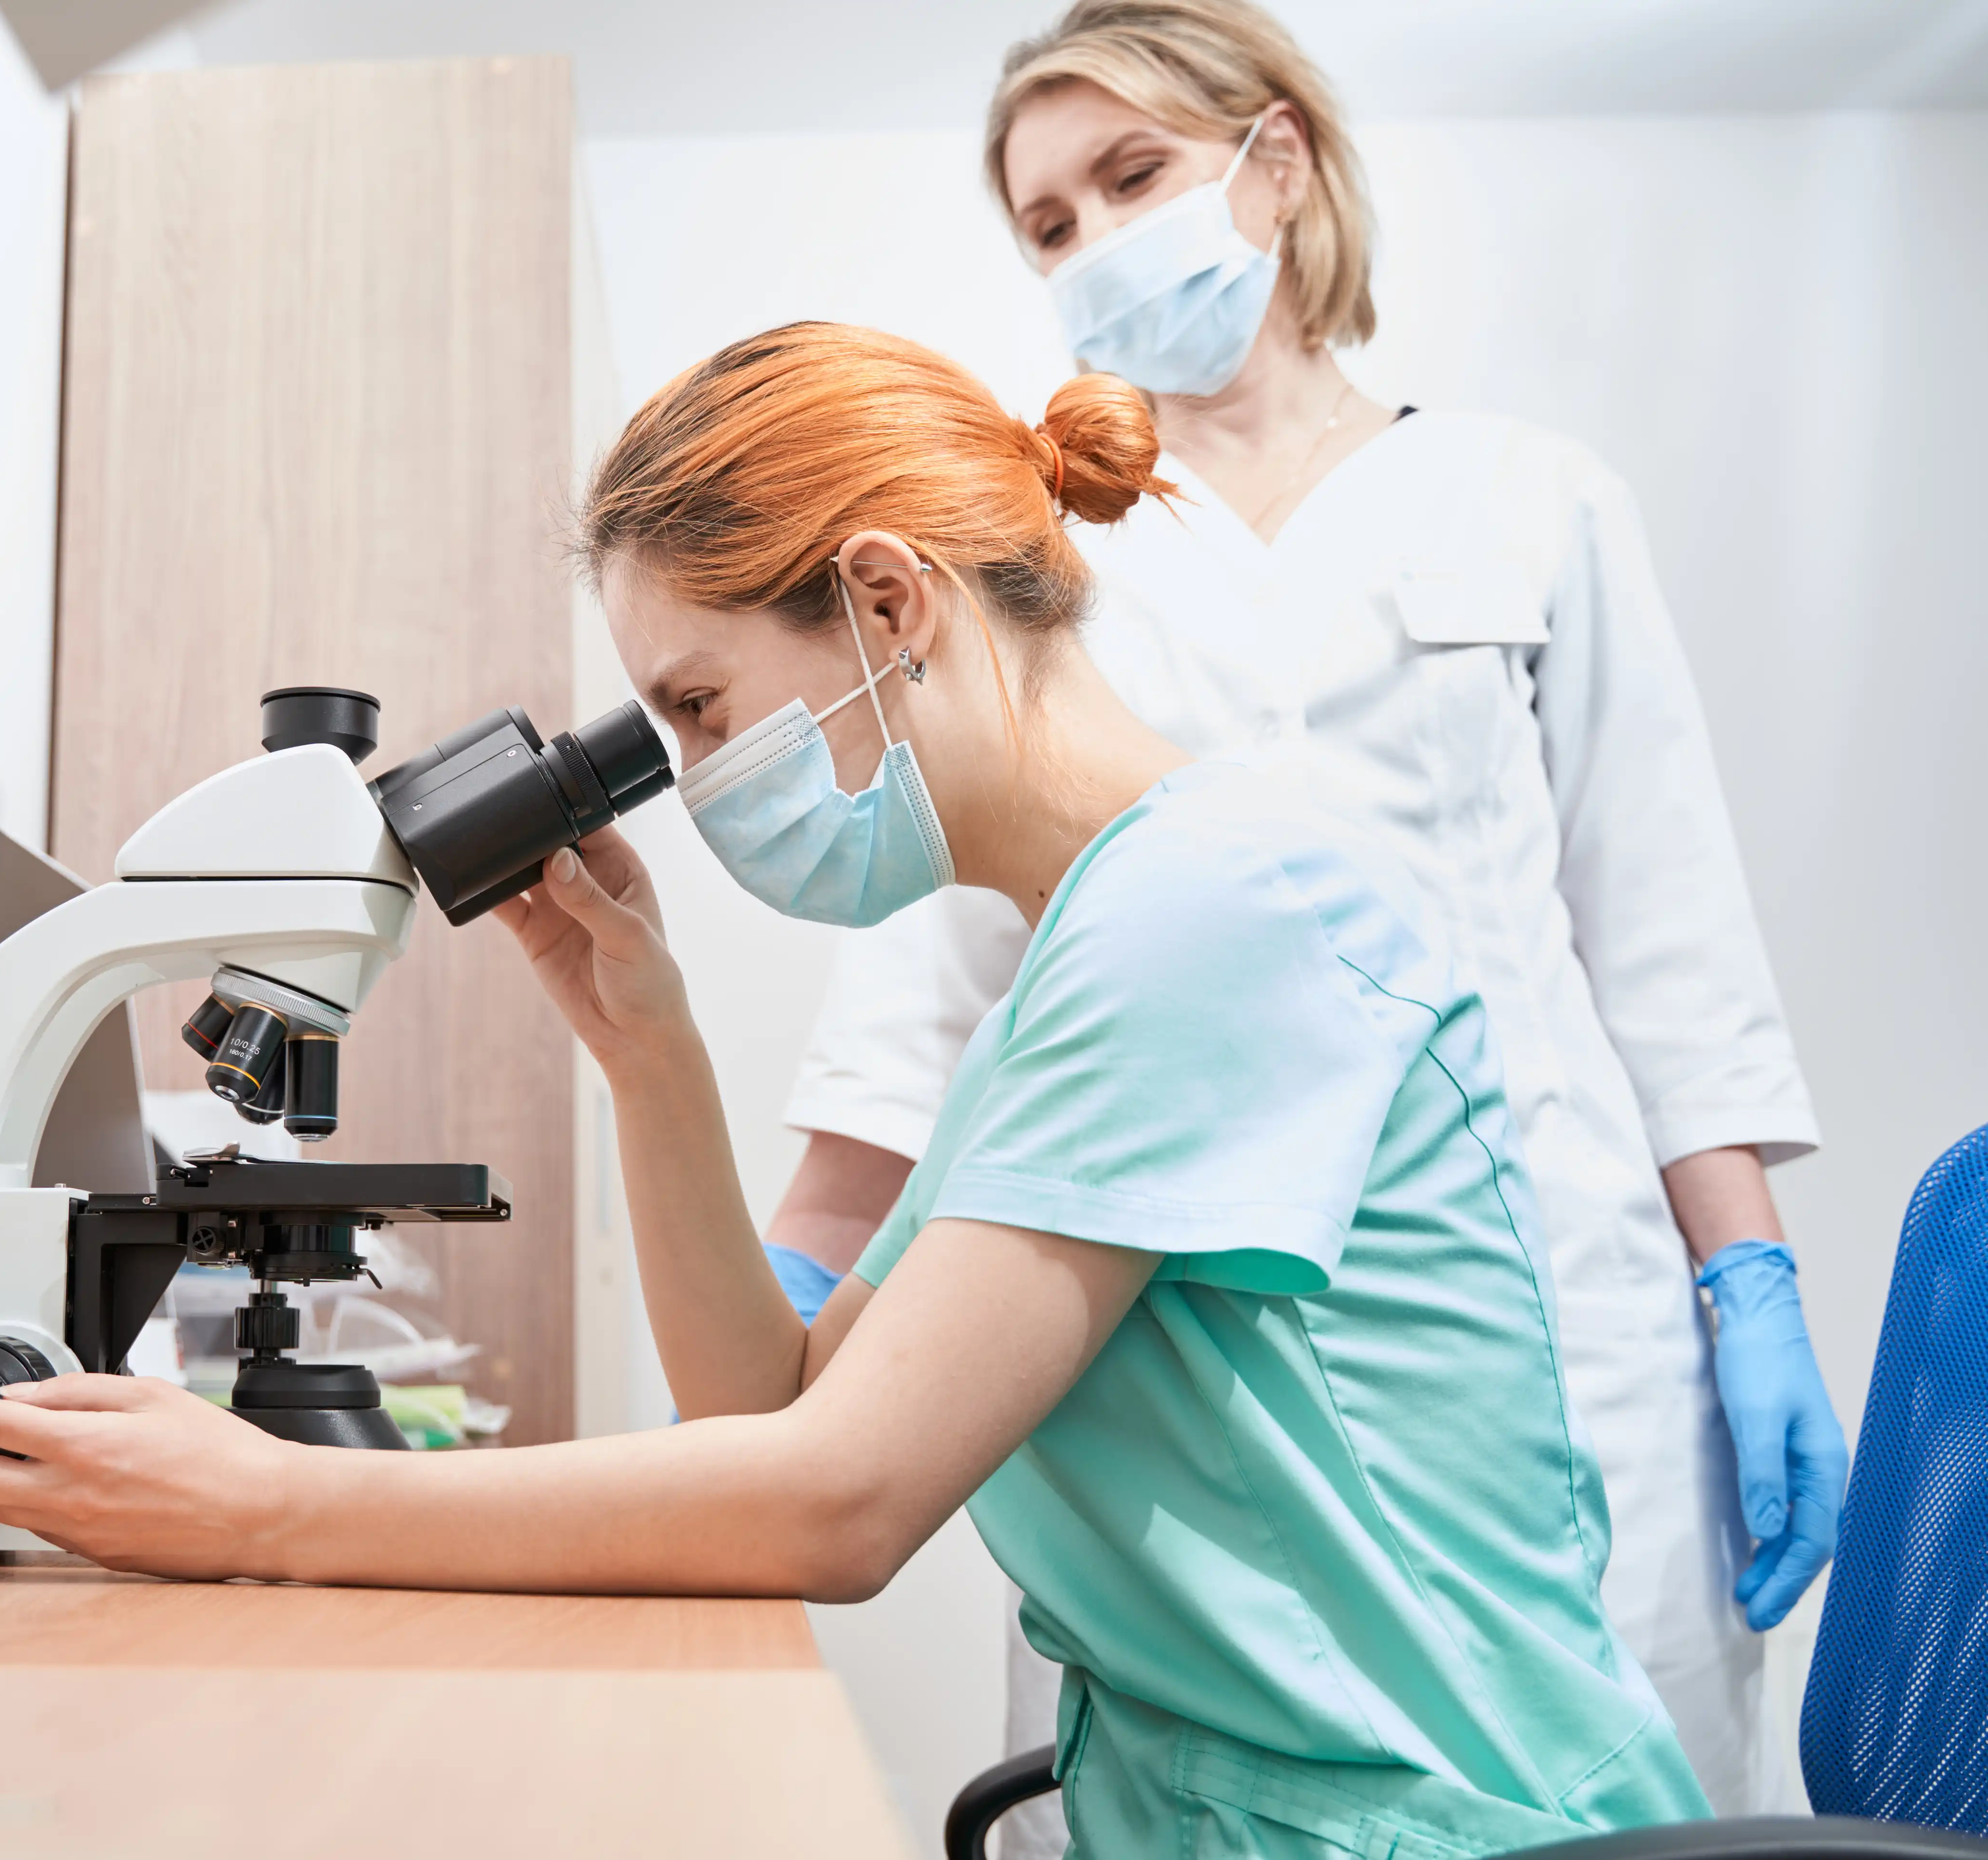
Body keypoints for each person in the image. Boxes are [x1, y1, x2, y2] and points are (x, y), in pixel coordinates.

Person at [0, 325, 1714, 1859]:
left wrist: (269, 1509)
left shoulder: (1212, 910)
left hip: (1428, 1824)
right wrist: (648, 1048)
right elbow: (770, 1402)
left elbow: (839, 1507)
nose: (681, 777)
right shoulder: (1079, 954)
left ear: (885, 602)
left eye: (694, 706)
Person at [766, 0, 1843, 1823]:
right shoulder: (1039, 564)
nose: (1096, 242)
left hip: (1544, 1290)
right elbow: (944, 968)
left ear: (1276, 167)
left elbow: (1660, 938)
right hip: (1164, 1356)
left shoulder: (1533, 500)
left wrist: (1747, 1278)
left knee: (1598, 1803)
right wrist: (789, 1315)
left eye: (1133, 177)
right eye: (1049, 224)